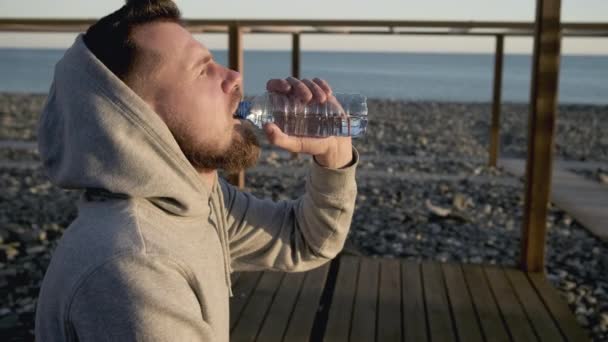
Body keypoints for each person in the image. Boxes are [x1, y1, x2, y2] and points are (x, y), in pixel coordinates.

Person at [34, 0, 358, 341]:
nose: (234, 76)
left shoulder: (196, 201)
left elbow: (302, 240)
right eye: (203, 70)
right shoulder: (133, 269)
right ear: (138, 118)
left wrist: (333, 155)